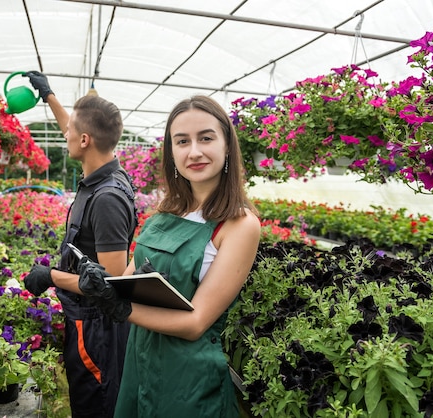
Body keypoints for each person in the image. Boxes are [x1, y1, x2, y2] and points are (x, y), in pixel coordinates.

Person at [77, 95, 261, 417]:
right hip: (140, 359)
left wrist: (121, 308)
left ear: (227, 145)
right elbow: (129, 278)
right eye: (182, 141)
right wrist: (104, 282)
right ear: (171, 151)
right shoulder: (166, 210)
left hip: (188, 379)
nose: (194, 151)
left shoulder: (239, 224)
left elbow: (196, 323)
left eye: (206, 138)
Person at [21, 71, 137, 418]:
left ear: (85, 140)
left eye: (71, 131)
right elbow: (72, 128)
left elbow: (112, 284)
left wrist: (51, 276)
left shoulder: (107, 198)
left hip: (97, 328)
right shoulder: (101, 172)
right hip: (85, 320)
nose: (65, 134)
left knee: (95, 405)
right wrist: (49, 95)